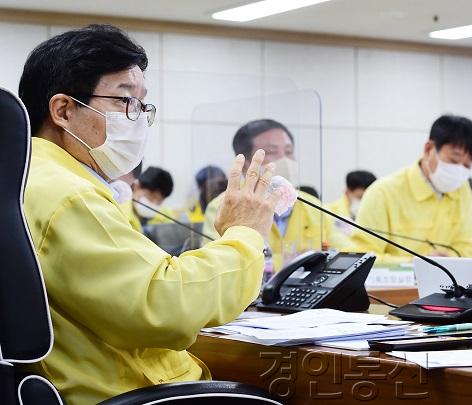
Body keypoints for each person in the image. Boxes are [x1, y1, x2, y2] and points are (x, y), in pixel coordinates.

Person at [19, 25, 280, 405]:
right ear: (63, 110)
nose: (138, 117)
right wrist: (244, 234)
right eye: (125, 101)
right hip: (127, 392)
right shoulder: (65, 192)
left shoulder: (34, 175)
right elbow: (163, 302)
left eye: (143, 104)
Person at [202, 119, 349, 270]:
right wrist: (295, 260)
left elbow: (345, 253)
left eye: (289, 151)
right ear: (246, 163)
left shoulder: (313, 205)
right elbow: (220, 266)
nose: (284, 159)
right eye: (271, 151)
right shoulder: (225, 205)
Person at [351, 115, 472, 264]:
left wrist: (449, 260)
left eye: (467, 166)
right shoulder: (383, 193)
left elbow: (468, 247)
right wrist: (416, 263)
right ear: (428, 149)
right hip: (395, 286)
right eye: (453, 161)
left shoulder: (462, 190)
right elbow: (362, 257)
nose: (459, 172)